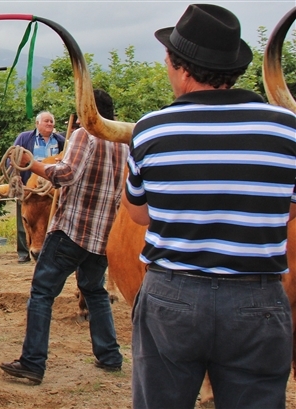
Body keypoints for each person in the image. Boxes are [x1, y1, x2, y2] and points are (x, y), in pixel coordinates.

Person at [124, 5, 296, 408]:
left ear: (181, 68)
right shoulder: (288, 129)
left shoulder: (152, 129)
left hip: (172, 295)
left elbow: (138, 213)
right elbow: (287, 212)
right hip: (258, 298)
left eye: (167, 60)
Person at [0, 89, 125, 386]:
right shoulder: (123, 141)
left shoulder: (83, 135)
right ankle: (110, 357)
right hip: (103, 235)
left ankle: (32, 362)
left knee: (42, 292)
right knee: (94, 291)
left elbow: (66, 175)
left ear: (88, 111)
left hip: (72, 230)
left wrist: (33, 165)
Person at [12, 112, 65, 263]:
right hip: (30, 187)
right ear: (37, 123)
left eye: (51, 122)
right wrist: (17, 177)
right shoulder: (25, 138)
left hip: (51, 188)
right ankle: (24, 251)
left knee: (51, 219)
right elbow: (14, 157)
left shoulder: (60, 140)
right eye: (46, 121)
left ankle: (53, 248)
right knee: (27, 219)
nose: (49, 124)